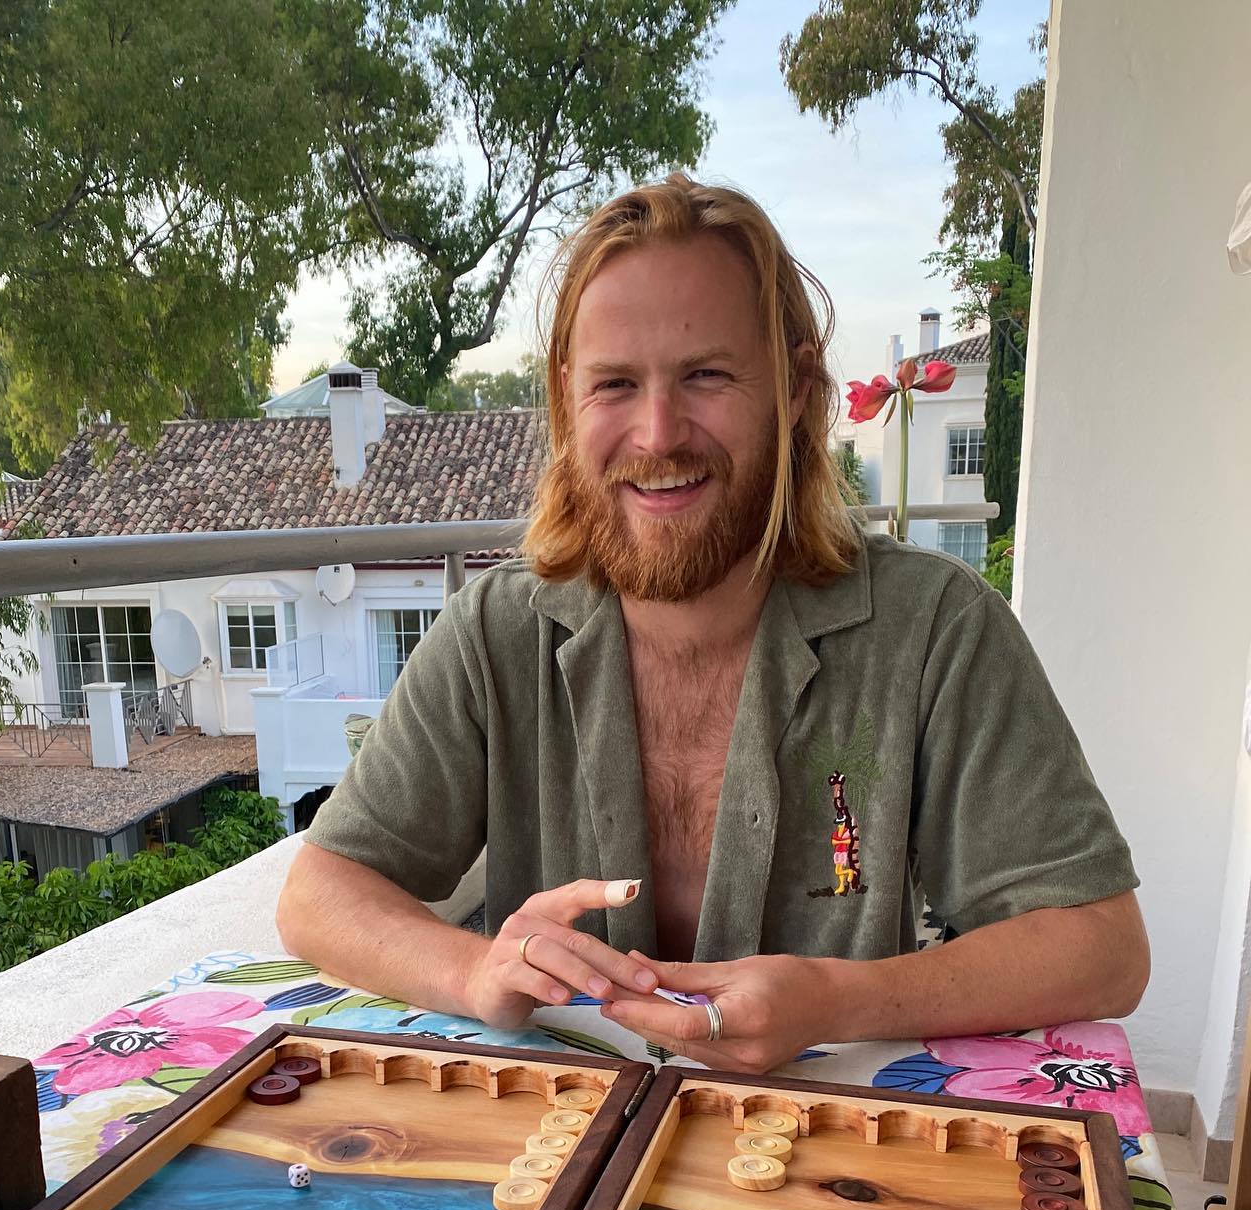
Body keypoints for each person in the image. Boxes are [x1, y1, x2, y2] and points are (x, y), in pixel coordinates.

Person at [276, 173, 1148, 1071]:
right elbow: (320, 893)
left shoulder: (936, 632)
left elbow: (1103, 946)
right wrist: (474, 971)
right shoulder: (494, 632)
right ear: (568, 399)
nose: (658, 435)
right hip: (550, 1171)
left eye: (706, 376)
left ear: (797, 387)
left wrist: (836, 1001)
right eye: (615, 384)